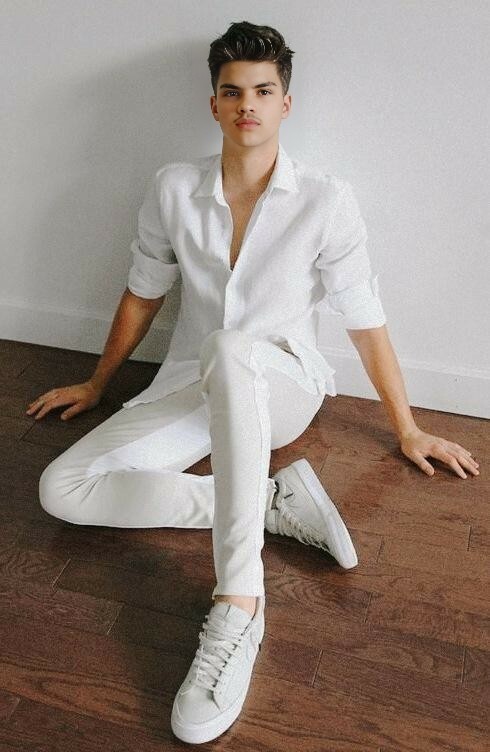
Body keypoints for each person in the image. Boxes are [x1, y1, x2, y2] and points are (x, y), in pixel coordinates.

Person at [26, 20, 480, 746]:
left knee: (234, 346)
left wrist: (407, 427)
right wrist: (97, 381)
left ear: (285, 104)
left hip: (281, 387)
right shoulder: (174, 188)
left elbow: (365, 319)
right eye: (233, 92)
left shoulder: (326, 199)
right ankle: (269, 502)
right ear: (213, 103)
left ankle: (239, 602)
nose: (248, 105)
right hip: (192, 382)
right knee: (63, 490)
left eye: (264, 91)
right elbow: (143, 291)